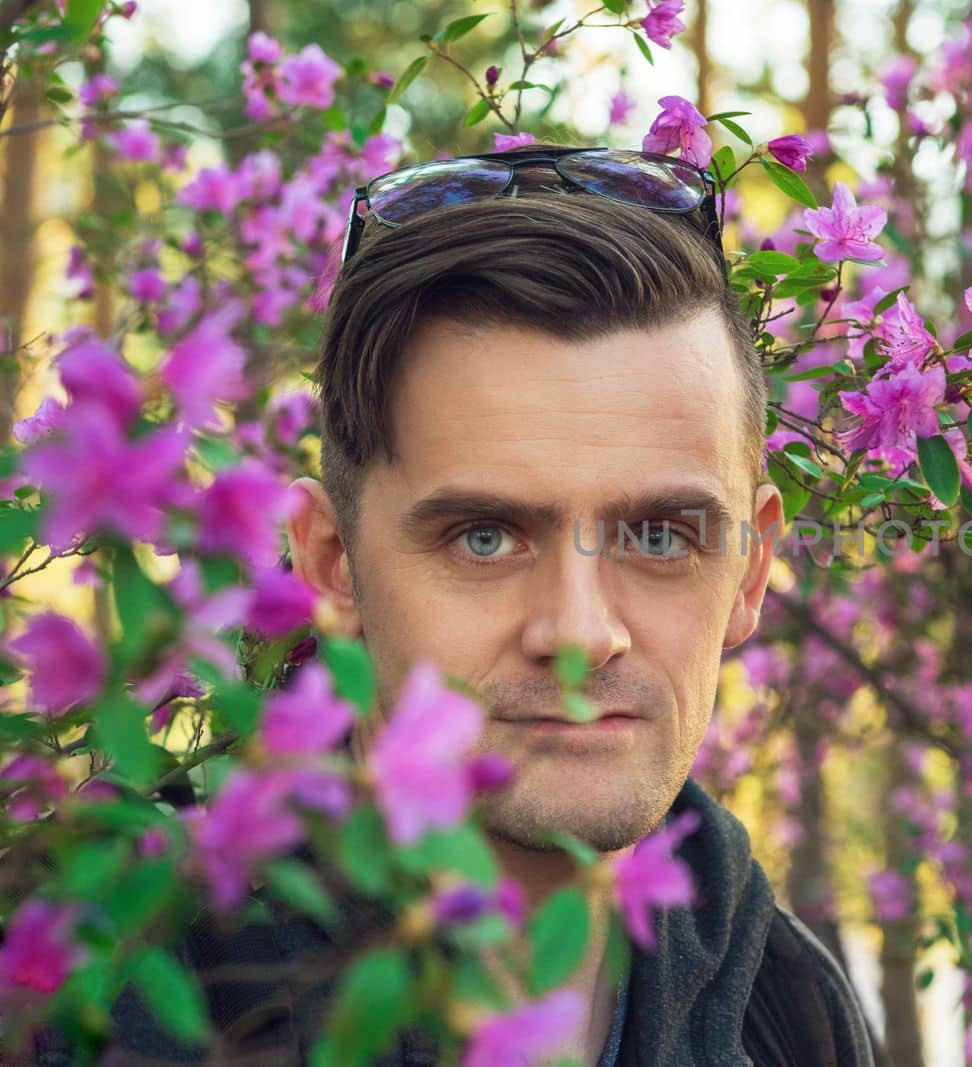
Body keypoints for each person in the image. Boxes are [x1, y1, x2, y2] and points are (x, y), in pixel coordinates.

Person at [85, 148, 880, 1067]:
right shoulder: (106, 986)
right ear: (333, 566)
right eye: (485, 537)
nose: (581, 633)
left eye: (660, 536)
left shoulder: (790, 1010)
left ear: (748, 571)